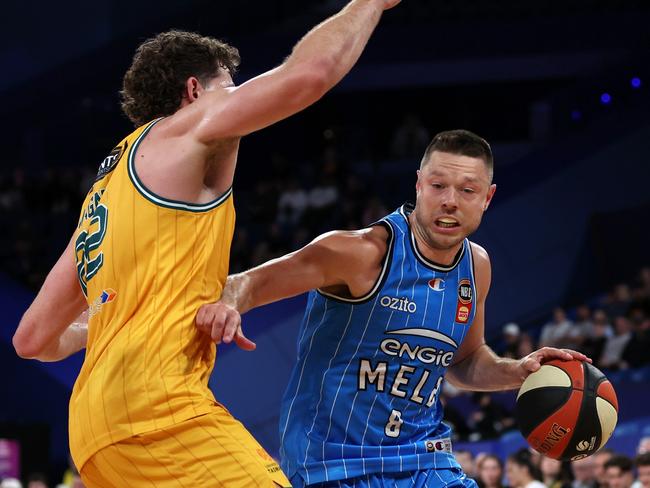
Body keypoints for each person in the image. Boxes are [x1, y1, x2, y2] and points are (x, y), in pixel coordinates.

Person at [11, 1, 400, 486]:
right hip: (158, 413)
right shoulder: (190, 126)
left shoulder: (103, 197)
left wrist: (114, 317)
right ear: (195, 90)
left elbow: (32, 340)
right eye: (228, 87)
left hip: (93, 434)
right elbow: (310, 75)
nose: (237, 100)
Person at [196, 129, 590, 486]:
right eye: (438, 185)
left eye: (468, 191)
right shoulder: (360, 252)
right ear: (419, 185)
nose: (450, 201)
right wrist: (230, 302)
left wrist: (516, 371)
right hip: (334, 466)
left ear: (487, 198)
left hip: (425, 461)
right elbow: (247, 283)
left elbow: (464, 361)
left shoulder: (476, 266)